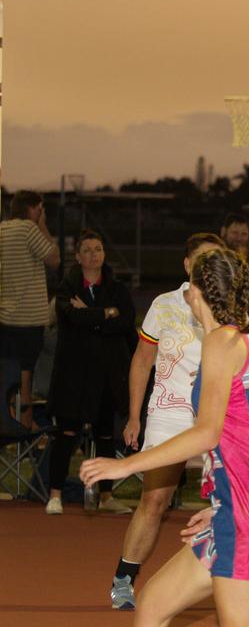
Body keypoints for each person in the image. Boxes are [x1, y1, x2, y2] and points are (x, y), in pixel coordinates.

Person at [80, 247, 249, 627]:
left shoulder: (221, 343)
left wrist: (124, 465)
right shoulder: (246, 341)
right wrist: (219, 502)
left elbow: (207, 433)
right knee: (151, 607)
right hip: (242, 506)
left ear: (197, 291)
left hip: (248, 516)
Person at [109, 232, 223, 610]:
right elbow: (142, 361)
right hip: (168, 412)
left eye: (216, 258)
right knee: (156, 499)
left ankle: (224, 579)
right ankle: (124, 579)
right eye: (202, 259)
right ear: (188, 264)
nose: (208, 266)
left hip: (214, 414)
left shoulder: (228, 304)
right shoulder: (164, 305)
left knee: (226, 501)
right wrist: (134, 417)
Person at [46, 230, 136, 515]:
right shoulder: (66, 287)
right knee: (66, 433)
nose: (93, 254)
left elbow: (125, 320)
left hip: (107, 374)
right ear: (77, 256)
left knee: (105, 436)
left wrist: (92, 315)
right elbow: (71, 317)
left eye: (98, 249)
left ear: (104, 254)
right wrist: (105, 314)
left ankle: (107, 497)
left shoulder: (118, 288)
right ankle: (55, 495)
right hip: (72, 374)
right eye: (87, 250)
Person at [0, 190, 60, 428]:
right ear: (33, 208)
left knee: (8, 379)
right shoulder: (29, 229)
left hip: (5, 318)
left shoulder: (2, 229)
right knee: (26, 380)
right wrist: (43, 225)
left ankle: (10, 424)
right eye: (40, 209)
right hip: (29, 321)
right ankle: (25, 431)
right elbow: (54, 259)